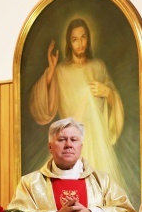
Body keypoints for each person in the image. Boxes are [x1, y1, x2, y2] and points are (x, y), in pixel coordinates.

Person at [8, 117, 137, 212]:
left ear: (81, 146)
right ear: (50, 146)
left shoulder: (103, 181)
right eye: (62, 139)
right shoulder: (30, 183)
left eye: (74, 140)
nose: (68, 144)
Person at [29, 18, 126, 190]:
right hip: (71, 142)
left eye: (83, 37)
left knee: (99, 189)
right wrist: (51, 70)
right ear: (69, 43)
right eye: (74, 39)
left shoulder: (98, 66)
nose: (80, 43)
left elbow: (114, 101)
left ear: (88, 39)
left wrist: (108, 92)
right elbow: (44, 107)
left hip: (97, 139)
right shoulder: (61, 71)